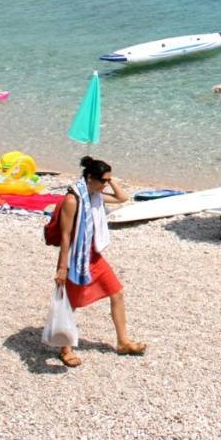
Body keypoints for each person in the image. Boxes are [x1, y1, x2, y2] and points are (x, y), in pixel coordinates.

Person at [54, 156, 146, 367]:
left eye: (107, 180)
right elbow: (66, 236)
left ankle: (123, 342)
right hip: (76, 258)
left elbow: (122, 197)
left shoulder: (95, 195)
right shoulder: (72, 200)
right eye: (103, 180)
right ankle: (65, 348)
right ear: (89, 178)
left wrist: (110, 179)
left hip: (94, 256)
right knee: (70, 304)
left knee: (117, 292)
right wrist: (62, 267)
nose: (106, 184)